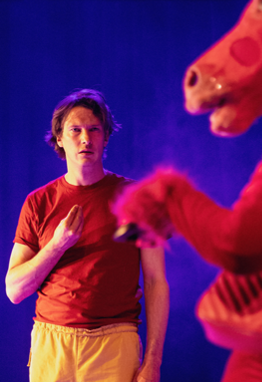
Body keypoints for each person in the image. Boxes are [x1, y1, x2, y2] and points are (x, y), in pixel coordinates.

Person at [5, 89, 170, 382]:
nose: (85, 138)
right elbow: (15, 291)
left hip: (115, 343)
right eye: (75, 130)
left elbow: (156, 281)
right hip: (52, 345)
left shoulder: (138, 200)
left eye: (94, 129)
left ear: (106, 137)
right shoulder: (38, 202)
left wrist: (153, 362)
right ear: (59, 138)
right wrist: (57, 245)